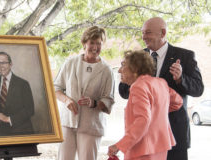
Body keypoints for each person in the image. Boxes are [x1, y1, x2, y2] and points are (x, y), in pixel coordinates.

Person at [118, 17, 204, 160]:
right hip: (143, 140)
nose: (144, 37)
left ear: (163, 33)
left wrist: (181, 79)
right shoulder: (138, 57)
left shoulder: (185, 56)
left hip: (173, 135)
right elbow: (123, 92)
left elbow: (198, 89)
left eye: (148, 32)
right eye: (143, 32)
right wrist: (129, 76)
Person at [108, 50, 183, 160]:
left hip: (142, 149)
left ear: (135, 69)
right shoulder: (160, 82)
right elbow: (178, 102)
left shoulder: (138, 86)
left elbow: (143, 120)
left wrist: (119, 145)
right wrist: (156, 112)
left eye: (123, 65)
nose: (119, 70)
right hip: (160, 146)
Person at [54, 26, 115, 160]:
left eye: (98, 43)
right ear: (84, 43)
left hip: (91, 126)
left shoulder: (106, 70)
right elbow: (56, 88)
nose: (95, 47)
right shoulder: (70, 63)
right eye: (91, 43)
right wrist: (67, 100)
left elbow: (108, 100)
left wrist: (94, 103)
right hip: (67, 122)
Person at [0, 51, 35, 135]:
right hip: (1, 133)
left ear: (10, 64)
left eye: (4, 62)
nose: (1, 66)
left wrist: (8, 119)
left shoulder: (23, 84)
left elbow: (30, 110)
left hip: (22, 131)